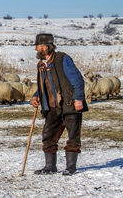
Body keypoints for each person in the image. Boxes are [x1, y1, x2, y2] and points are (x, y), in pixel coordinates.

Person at [30, 33, 88, 176]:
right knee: (48, 136)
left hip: (70, 104)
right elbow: (44, 84)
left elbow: (77, 80)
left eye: (38, 46)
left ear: (46, 47)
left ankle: (70, 167)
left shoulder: (63, 59)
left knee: (73, 136)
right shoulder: (41, 65)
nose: (36, 49)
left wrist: (78, 98)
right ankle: (50, 166)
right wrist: (37, 95)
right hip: (52, 107)